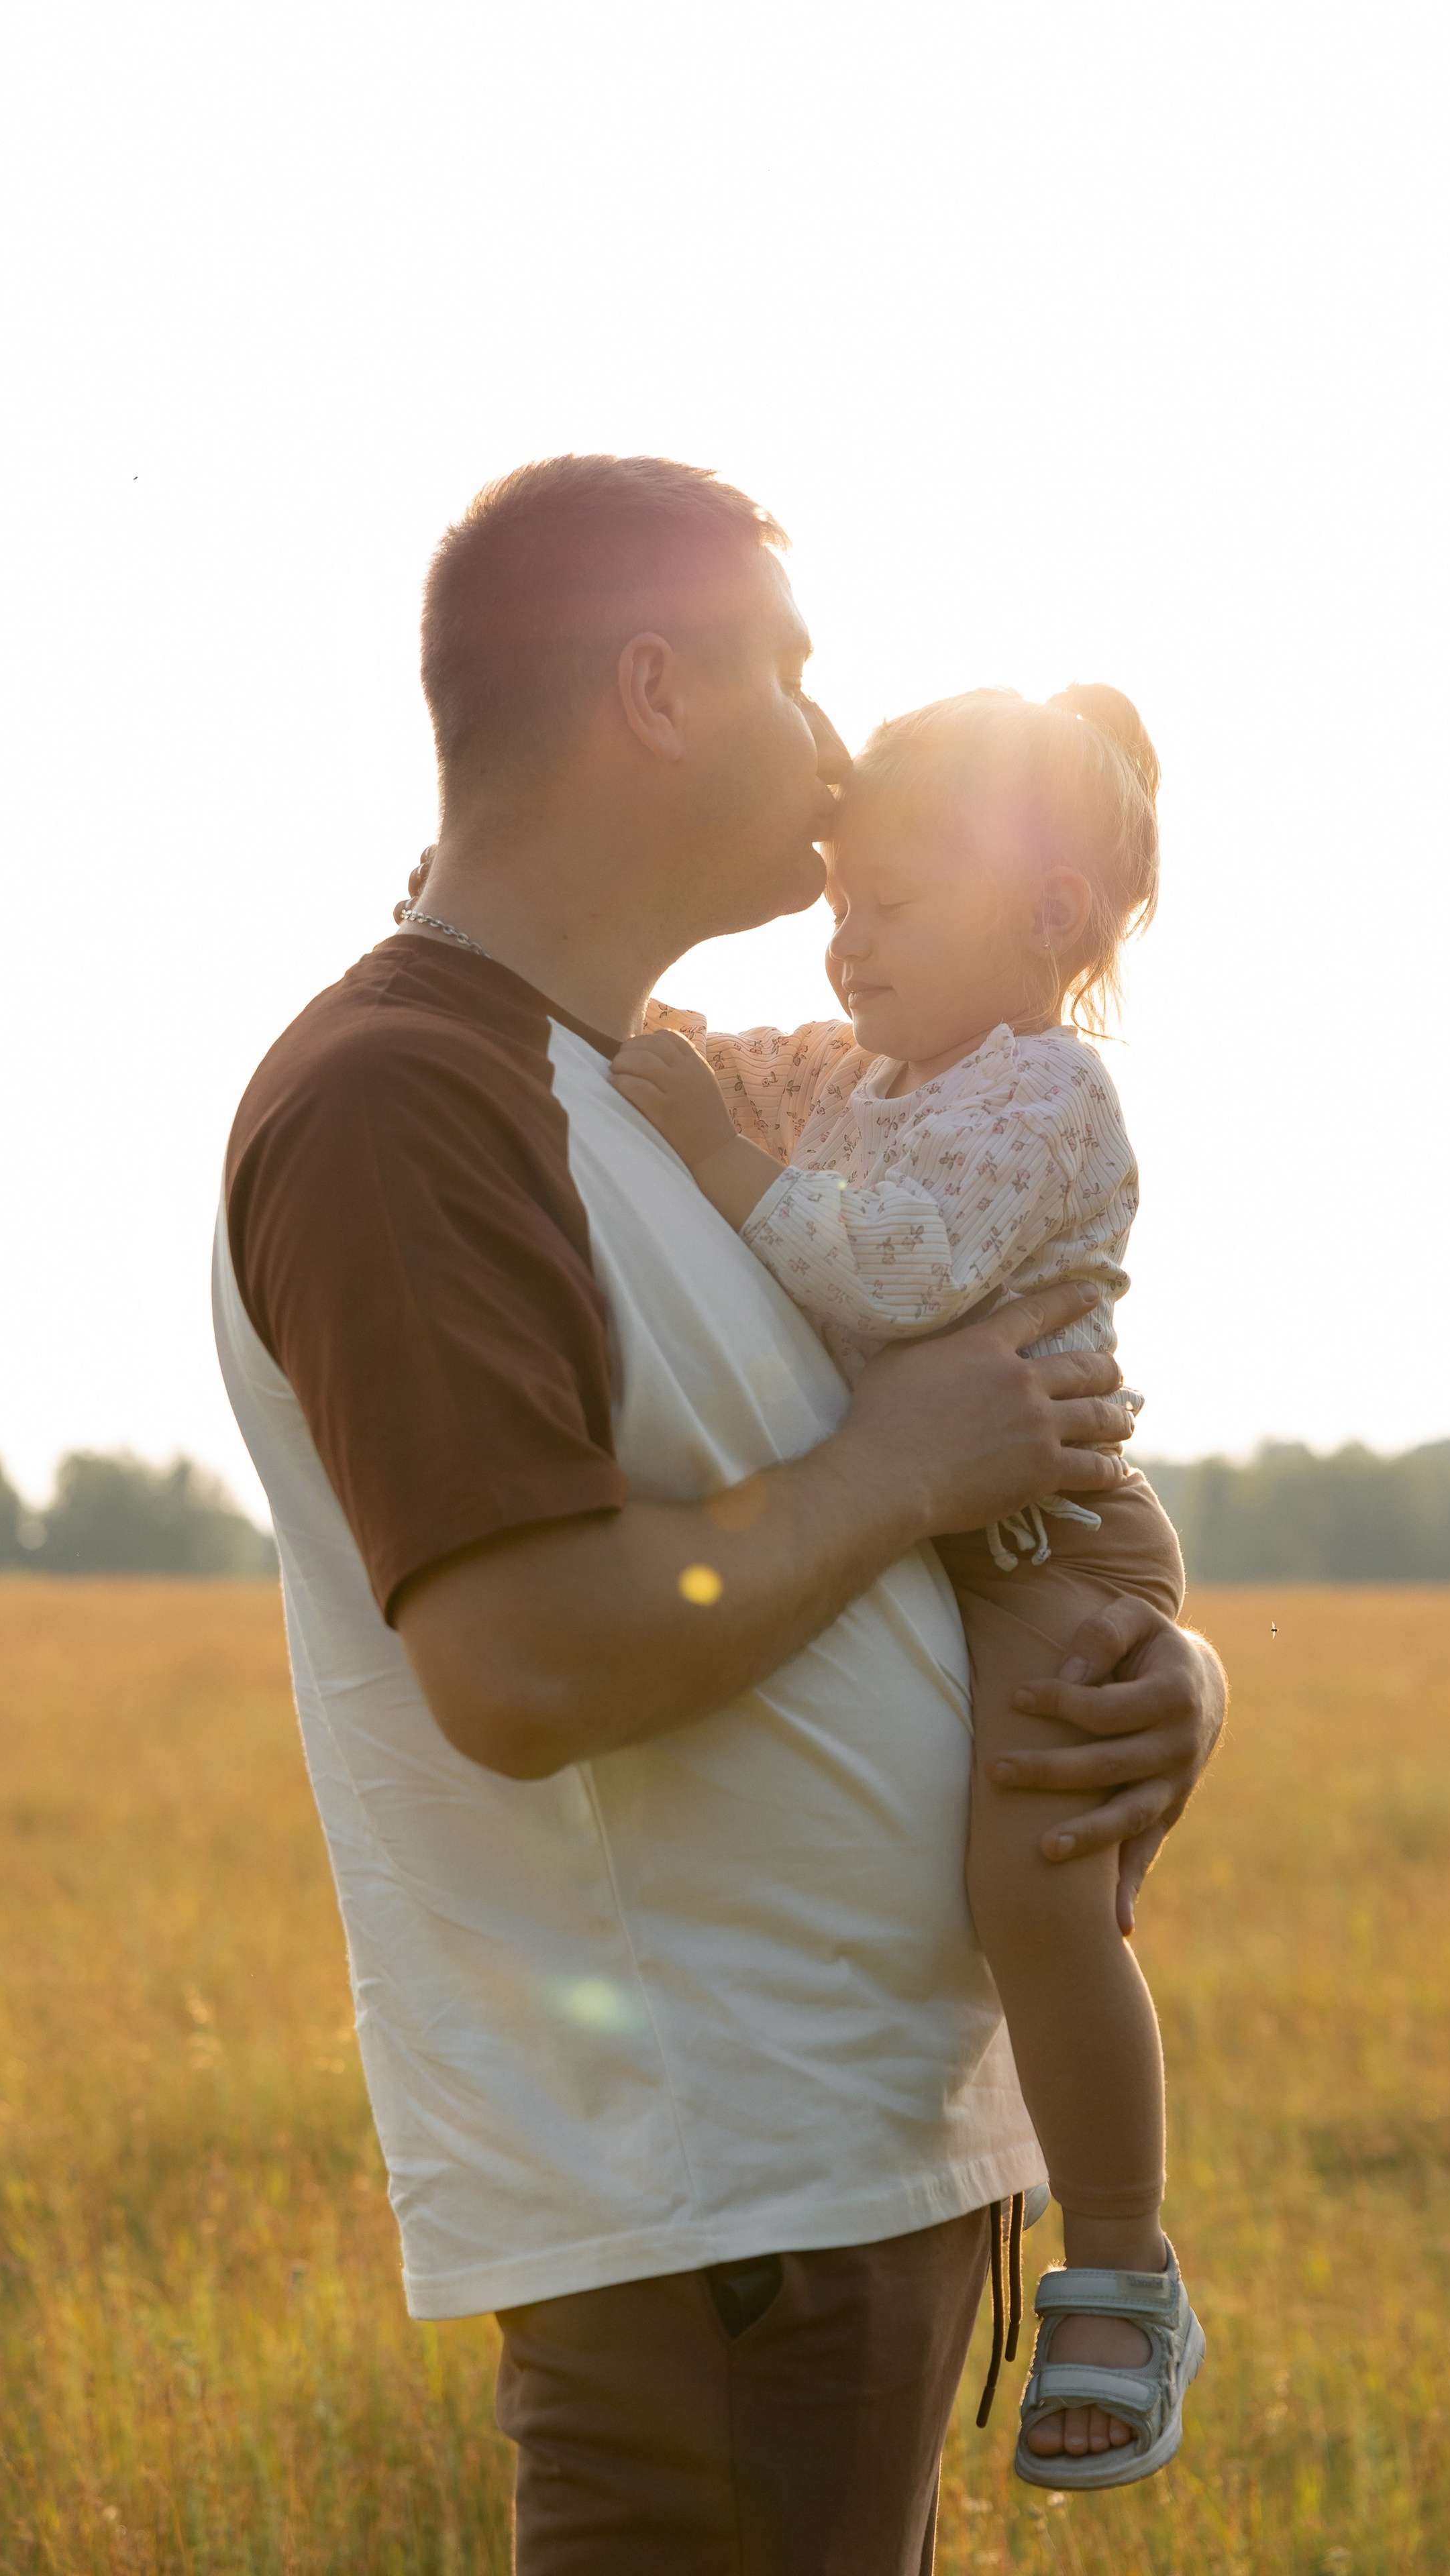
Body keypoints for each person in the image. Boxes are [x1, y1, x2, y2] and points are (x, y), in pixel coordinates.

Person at [213, 453, 1227, 2574]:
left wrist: (1159, 1681)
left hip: (834, 2188)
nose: (839, 739)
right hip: (717, 2227)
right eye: (793, 667)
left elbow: (871, 1483)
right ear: (657, 692)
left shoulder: (630, 1079)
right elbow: (524, 1663)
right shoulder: (410, 1099)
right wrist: (910, 1465)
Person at [611, 682, 1200, 2491]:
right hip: (955, 1539)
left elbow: (882, 1274)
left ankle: (1121, 2262)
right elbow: (700, 1060)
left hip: (1046, 1557)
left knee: (1039, 1892)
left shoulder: (1044, 1097)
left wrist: (714, 1155)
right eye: (841, 902)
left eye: (899, 902)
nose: (849, 943)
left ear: (1051, 913)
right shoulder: (861, 1065)